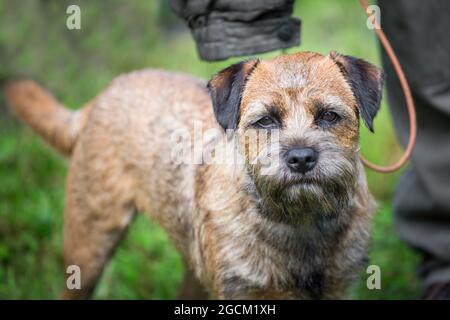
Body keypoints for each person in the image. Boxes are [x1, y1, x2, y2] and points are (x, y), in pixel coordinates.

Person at [169, 0, 450, 299]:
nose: (300, 151)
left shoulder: (359, 218)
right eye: (266, 121)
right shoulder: (226, 227)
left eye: (329, 116)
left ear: (361, 110)